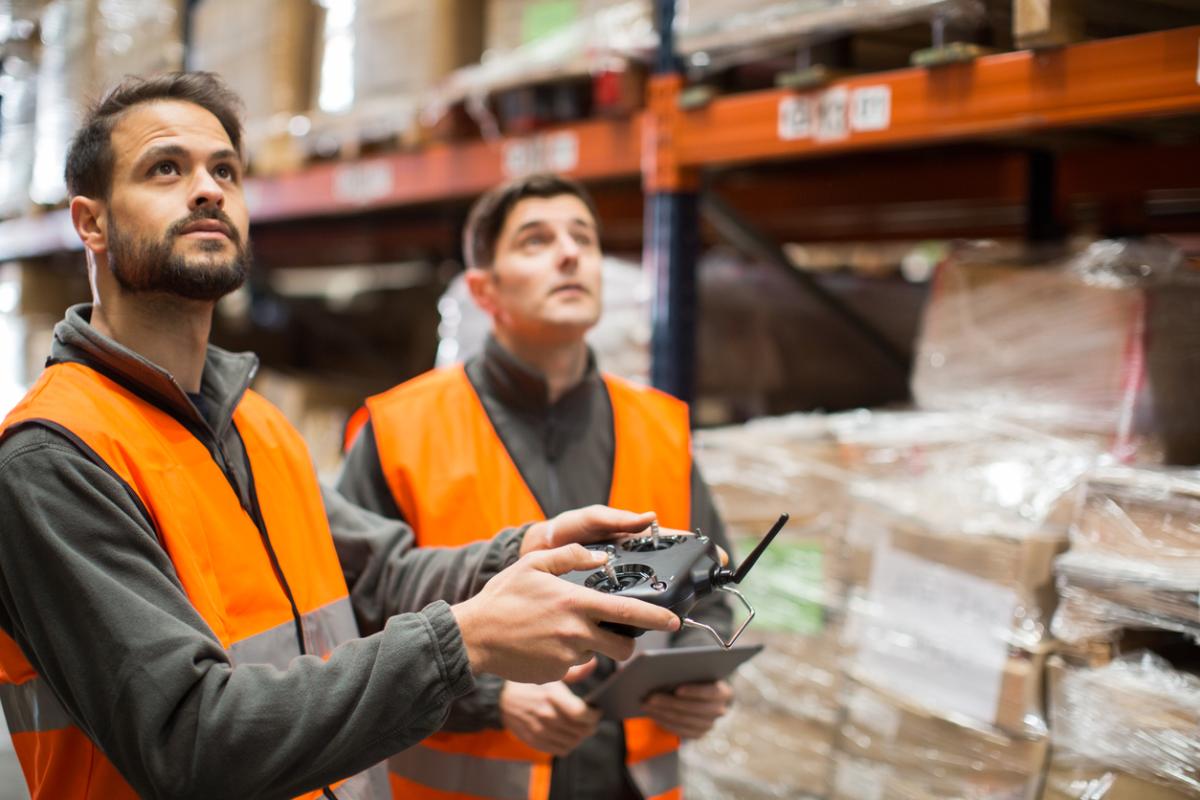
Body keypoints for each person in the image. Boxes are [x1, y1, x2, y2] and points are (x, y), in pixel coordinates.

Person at [0, 73, 683, 800]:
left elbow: (380, 576)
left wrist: (524, 553)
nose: (207, 190)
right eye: (166, 168)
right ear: (90, 222)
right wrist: (469, 639)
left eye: (224, 170)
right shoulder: (52, 460)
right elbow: (190, 737)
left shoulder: (254, 426)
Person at [338, 174, 736, 800]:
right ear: (484, 290)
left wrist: (699, 678)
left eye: (583, 237)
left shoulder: (659, 424)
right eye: (536, 240)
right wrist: (492, 698)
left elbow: (710, 580)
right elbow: (352, 621)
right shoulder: (398, 429)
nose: (570, 253)